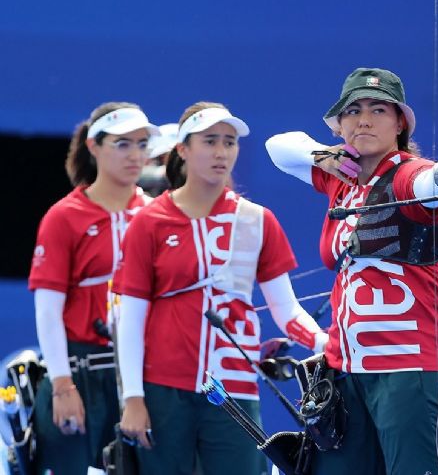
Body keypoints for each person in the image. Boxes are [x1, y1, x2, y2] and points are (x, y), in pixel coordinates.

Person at [266, 67, 438, 475]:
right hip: (347, 372)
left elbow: (431, 182)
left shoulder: (409, 173)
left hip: (410, 370)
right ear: (339, 125)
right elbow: (277, 146)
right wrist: (323, 156)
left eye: (378, 110)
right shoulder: (340, 179)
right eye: (353, 110)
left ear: (399, 124)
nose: (364, 120)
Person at [113, 102, 328, 475]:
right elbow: (130, 317)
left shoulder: (258, 221)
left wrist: (324, 344)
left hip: (235, 388)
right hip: (163, 390)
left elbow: (287, 310)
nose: (221, 152)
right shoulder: (149, 222)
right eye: (209, 141)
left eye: (229, 142)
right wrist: (132, 396)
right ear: (183, 149)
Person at [28, 102, 160, 474]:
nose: (135, 155)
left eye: (141, 144)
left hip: (145, 377)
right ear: (93, 146)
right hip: (81, 376)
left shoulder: (156, 215)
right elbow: (47, 311)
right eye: (122, 144)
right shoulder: (63, 217)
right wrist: (62, 386)